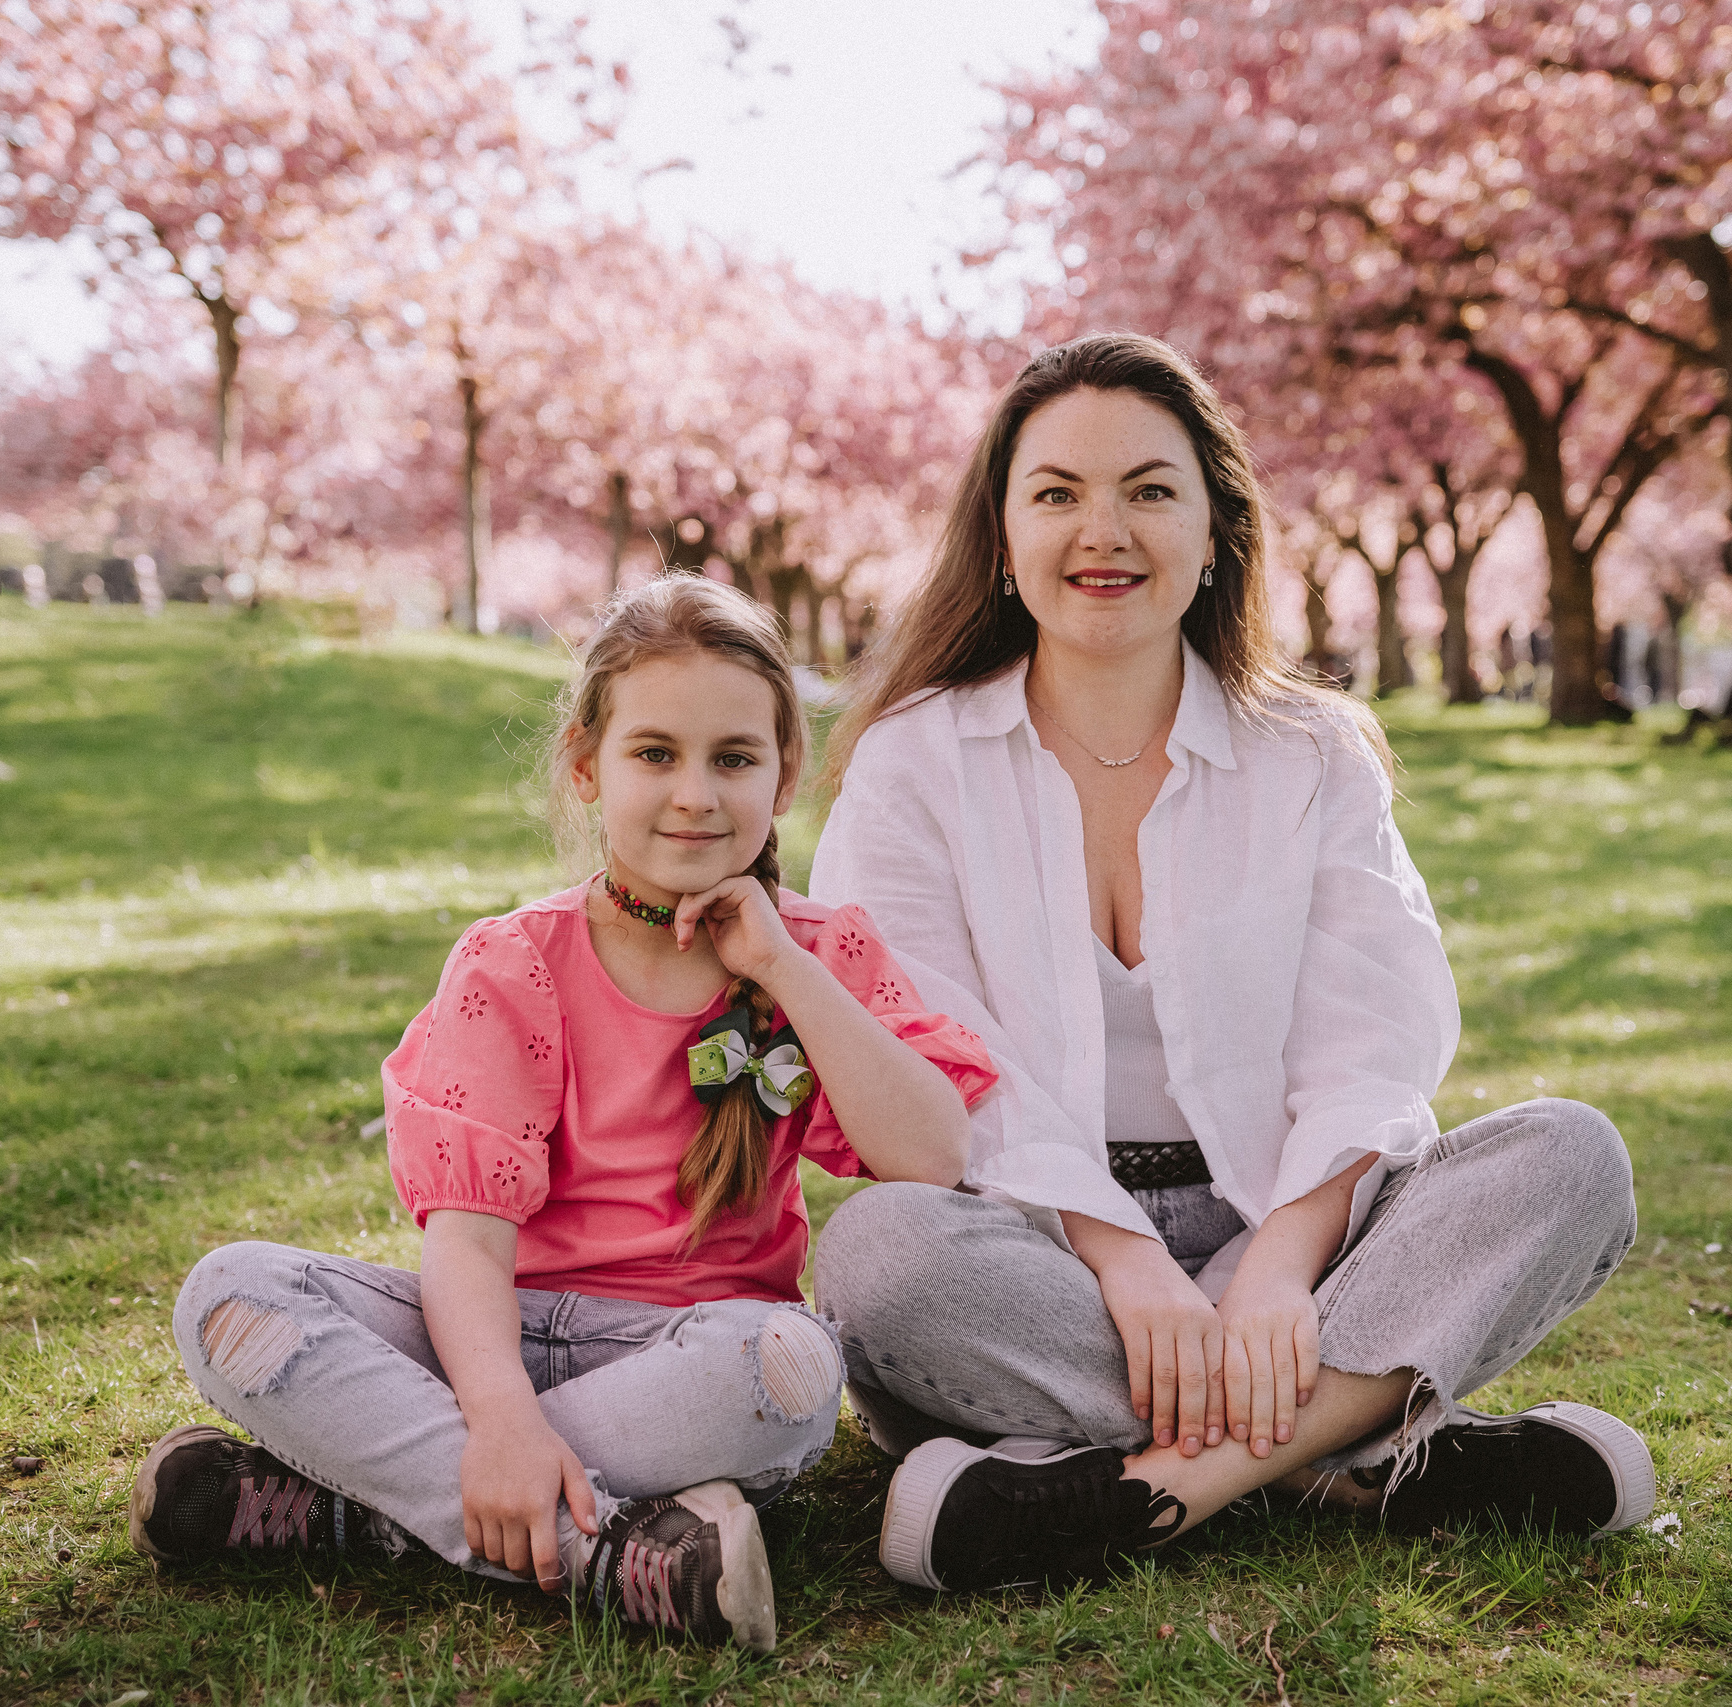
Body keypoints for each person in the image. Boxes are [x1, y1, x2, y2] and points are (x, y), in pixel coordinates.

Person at [805, 333, 1650, 1596]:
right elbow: (935, 1063)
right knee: (880, 1257)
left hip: (1293, 1227)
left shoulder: (1308, 752)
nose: (1106, 531)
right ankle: (1346, 1450)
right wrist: (1122, 1256)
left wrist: (1278, 1269)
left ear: (1213, 535)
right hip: (1036, 1254)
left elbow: (1371, 1042)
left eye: (1150, 490)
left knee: (1572, 1155)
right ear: (1001, 536)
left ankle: (1148, 1491)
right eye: (1057, 494)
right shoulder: (913, 762)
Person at [129, 577, 994, 1651]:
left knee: (793, 1368)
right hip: (498, 1338)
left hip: (691, 1354)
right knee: (232, 1294)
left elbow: (931, 1151)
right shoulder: (514, 962)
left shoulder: (820, 954)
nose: (695, 794)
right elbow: (469, 1246)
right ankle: (608, 1551)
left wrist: (780, 964)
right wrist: (497, 1418)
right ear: (586, 766)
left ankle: (359, 1510)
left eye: (734, 758)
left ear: (784, 774)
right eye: (653, 754)